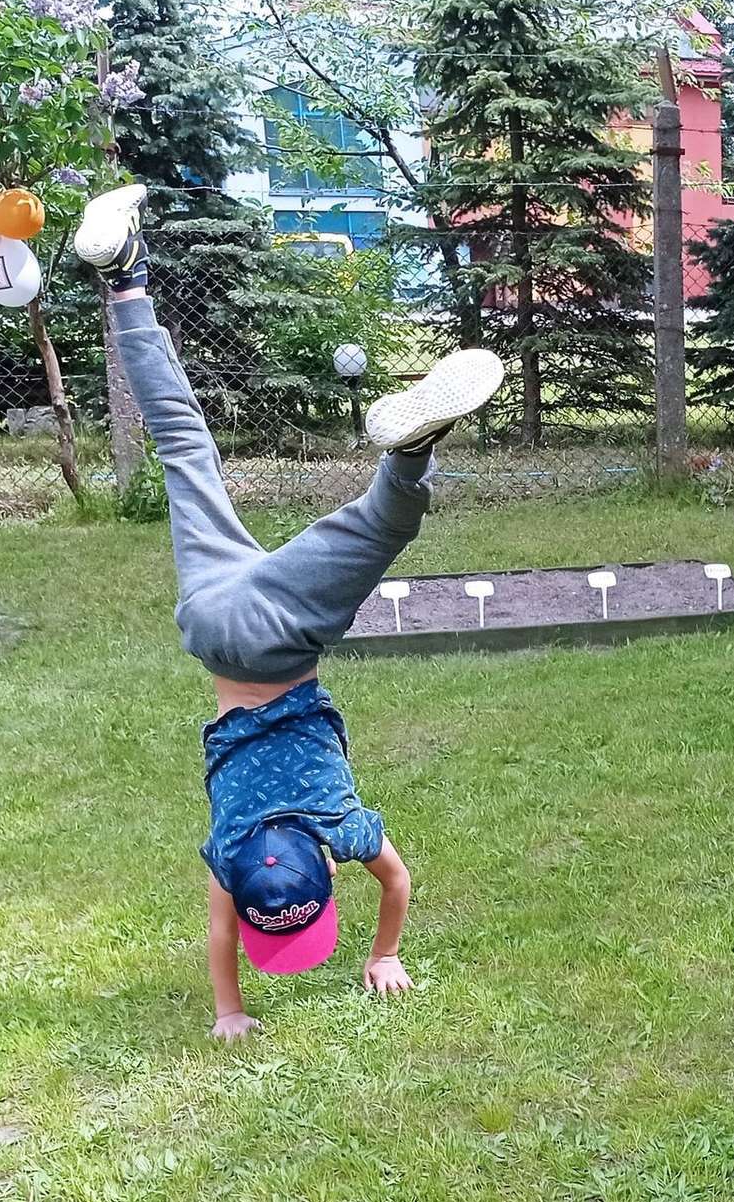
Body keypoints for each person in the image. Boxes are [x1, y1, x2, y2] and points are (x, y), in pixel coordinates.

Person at [73, 184, 503, 1039]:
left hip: (277, 641)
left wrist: (385, 953)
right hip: (209, 619)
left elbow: (397, 881)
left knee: (381, 529)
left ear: (328, 869)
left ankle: (411, 454)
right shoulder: (231, 849)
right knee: (182, 444)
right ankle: (123, 277)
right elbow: (220, 933)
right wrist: (227, 1012)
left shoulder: (341, 824)